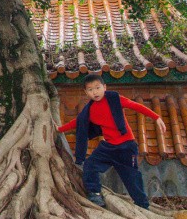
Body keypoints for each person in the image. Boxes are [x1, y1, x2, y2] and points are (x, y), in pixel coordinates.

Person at [57, 73, 166, 209]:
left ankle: (143, 205)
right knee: (90, 165)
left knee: (131, 177)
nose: (95, 92)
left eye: (97, 87)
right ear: (86, 92)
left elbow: (135, 106)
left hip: (127, 146)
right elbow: (78, 122)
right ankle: (95, 193)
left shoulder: (115, 99)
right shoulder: (89, 110)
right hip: (108, 147)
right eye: (90, 90)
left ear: (104, 87)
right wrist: (60, 129)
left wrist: (156, 117)